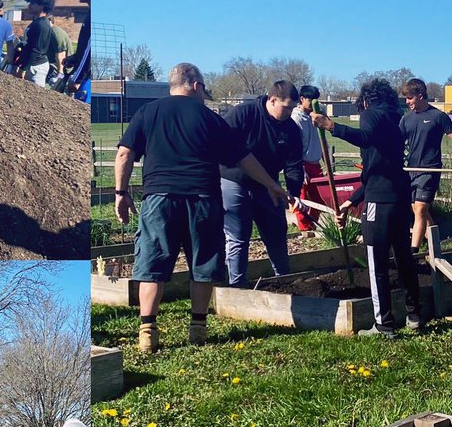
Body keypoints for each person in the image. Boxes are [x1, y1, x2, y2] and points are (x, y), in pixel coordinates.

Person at [115, 62, 288, 352]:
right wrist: (272, 185)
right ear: (195, 85)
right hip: (203, 199)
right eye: (204, 88)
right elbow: (244, 159)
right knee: (203, 263)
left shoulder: (148, 112)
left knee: (152, 265)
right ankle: (198, 326)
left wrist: (121, 192)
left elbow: (124, 154)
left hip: (160, 198)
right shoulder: (210, 119)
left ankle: (147, 329)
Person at [312, 79, 423, 337]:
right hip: (397, 195)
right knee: (404, 258)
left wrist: (331, 126)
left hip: (380, 202)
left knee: (377, 261)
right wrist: (352, 199)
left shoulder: (371, 115)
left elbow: (364, 138)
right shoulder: (393, 120)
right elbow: (379, 168)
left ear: (364, 101)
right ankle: (414, 315)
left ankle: (383, 324)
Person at [220, 81, 306, 287]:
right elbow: (221, 144)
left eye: (293, 108)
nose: (289, 112)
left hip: (269, 186)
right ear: (272, 100)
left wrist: (293, 193)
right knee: (238, 235)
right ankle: (237, 286)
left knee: (276, 230)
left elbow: (294, 164)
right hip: (234, 180)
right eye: (286, 107)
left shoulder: (291, 129)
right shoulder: (243, 114)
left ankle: (284, 281)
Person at [399, 77, 452, 250]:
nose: (407, 102)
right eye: (406, 98)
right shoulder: (406, 119)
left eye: (410, 98)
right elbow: (397, 143)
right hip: (411, 170)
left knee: (420, 210)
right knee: (418, 211)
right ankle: (436, 245)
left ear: (420, 95)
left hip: (430, 170)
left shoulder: (438, 116)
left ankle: (413, 251)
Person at [290, 84, 323, 232]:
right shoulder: (296, 119)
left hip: (315, 163)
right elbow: (294, 146)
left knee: (319, 199)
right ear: (302, 99)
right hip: (303, 164)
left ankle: (312, 225)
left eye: (316, 99)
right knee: (302, 199)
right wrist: (299, 167)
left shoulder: (314, 117)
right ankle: (304, 229)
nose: (314, 103)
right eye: (311, 99)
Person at [16, 0, 55, 85]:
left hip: (36, 66)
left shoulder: (42, 25)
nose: (29, 5)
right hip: (29, 64)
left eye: (33, 3)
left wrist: (24, 69)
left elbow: (37, 50)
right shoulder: (36, 22)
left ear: (42, 6)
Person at [65, 0, 90, 102]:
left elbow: (89, 51)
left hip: (86, 79)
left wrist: (77, 79)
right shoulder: (89, 14)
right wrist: (75, 58)